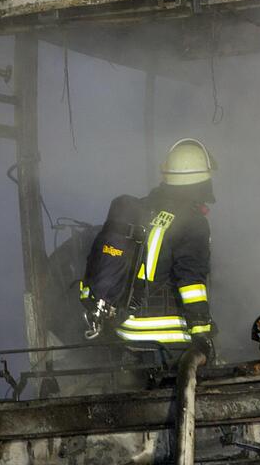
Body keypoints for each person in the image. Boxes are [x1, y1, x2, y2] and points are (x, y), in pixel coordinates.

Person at [80, 138, 216, 357]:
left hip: (127, 331)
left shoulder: (145, 209)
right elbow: (191, 280)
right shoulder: (192, 222)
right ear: (201, 181)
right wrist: (202, 332)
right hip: (167, 338)